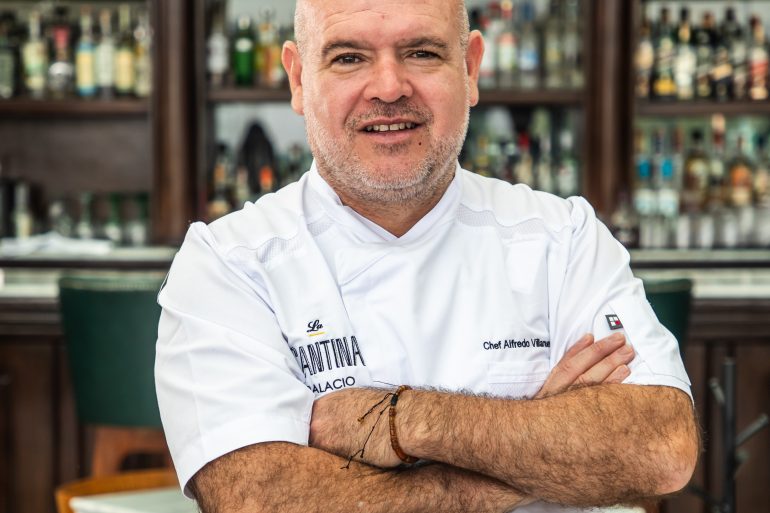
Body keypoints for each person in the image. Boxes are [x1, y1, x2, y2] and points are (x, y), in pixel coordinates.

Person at [155, 0, 699, 511]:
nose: (389, 88)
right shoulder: (227, 264)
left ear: (471, 68)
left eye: (421, 52)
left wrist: (401, 420)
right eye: (349, 58)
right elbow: (256, 498)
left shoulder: (563, 237)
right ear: (298, 79)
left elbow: (661, 446)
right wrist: (536, 444)